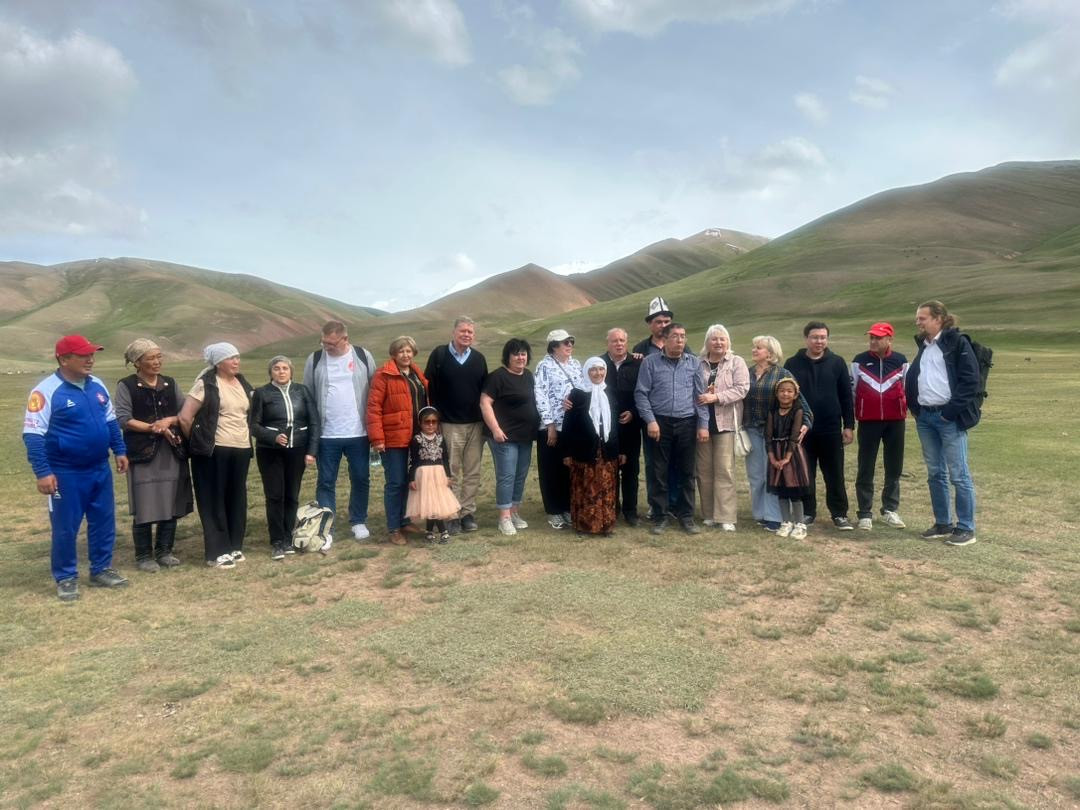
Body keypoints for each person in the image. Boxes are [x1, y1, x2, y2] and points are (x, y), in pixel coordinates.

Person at [23, 335, 130, 601]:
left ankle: (101, 569)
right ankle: (66, 577)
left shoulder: (97, 385)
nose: (90, 360)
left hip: (99, 468)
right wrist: (43, 472)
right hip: (65, 472)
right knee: (65, 527)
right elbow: (33, 435)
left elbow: (110, 420)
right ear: (63, 359)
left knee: (103, 521)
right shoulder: (45, 391)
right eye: (83, 356)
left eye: (91, 355)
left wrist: (119, 449)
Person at [905, 300, 980, 546]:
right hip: (925, 418)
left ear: (938, 319)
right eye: (917, 318)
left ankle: (966, 528)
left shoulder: (957, 343)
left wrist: (950, 413)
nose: (917, 322)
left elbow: (971, 381)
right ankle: (943, 523)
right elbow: (917, 378)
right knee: (935, 473)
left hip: (948, 418)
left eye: (922, 318)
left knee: (959, 474)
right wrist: (916, 408)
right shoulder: (925, 346)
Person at [114, 339, 193, 572]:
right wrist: (154, 428)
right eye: (151, 358)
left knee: (170, 500)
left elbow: (184, 412)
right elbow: (124, 419)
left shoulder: (170, 383)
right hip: (143, 452)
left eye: (159, 356)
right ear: (137, 362)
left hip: (171, 451)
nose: (157, 362)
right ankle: (143, 556)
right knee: (145, 502)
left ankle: (164, 551)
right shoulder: (126, 385)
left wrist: (168, 421)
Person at [178, 342, 254, 569]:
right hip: (213, 450)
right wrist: (197, 441)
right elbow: (185, 417)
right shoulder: (206, 384)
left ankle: (234, 545)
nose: (236, 362)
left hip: (241, 448)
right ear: (219, 363)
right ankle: (216, 552)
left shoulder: (242, 382)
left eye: (237, 357)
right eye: (231, 358)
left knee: (236, 497)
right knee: (213, 499)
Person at [303, 321, 377, 548]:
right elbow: (308, 395)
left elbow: (375, 389)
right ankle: (327, 528)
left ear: (345, 339)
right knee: (326, 481)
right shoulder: (315, 359)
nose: (327, 347)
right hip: (327, 434)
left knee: (361, 477)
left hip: (358, 432)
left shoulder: (363, 356)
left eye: (331, 343)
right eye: (323, 342)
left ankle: (358, 521)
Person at [634, 322, 708, 535]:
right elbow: (641, 393)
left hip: (687, 422)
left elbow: (700, 396)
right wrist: (650, 420)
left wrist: (703, 425)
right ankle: (660, 516)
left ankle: (686, 516)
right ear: (664, 339)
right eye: (675, 336)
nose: (680, 340)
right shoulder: (650, 362)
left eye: (683, 336)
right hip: (659, 423)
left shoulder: (694, 363)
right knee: (659, 471)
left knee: (687, 471)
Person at [785, 321, 855, 531]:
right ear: (806, 338)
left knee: (834, 473)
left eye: (823, 337)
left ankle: (839, 514)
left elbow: (846, 396)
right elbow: (787, 397)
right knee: (806, 472)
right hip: (802, 429)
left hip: (830, 428)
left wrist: (849, 425)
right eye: (815, 337)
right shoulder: (792, 364)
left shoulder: (837, 362)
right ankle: (808, 512)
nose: (819, 341)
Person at [251, 355, 320, 559]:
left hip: (297, 450)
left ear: (291, 371)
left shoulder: (302, 391)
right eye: (276, 368)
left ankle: (288, 537)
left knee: (292, 495)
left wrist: (311, 451)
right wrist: (272, 437)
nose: (281, 372)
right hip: (270, 451)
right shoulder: (262, 393)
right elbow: (253, 425)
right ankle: (277, 541)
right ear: (270, 372)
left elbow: (314, 422)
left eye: (285, 368)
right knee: (275, 496)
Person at [424, 317, 488, 535]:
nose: (467, 334)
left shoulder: (479, 359)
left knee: (472, 471)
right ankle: (451, 513)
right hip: (449, 423)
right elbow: (429, 389)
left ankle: (467, 513)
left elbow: (484, 392)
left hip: (475, 424)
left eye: (470, 331)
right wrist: (433, 420)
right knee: (450, 471)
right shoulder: (439, 355)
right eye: (463, 331)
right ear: (454, 332)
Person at [743, 336, 812, 532]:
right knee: (756, 476)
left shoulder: (782, 374)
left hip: (774, 434)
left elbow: (801, 402)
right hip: (751, 429)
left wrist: (806, 423)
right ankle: (760, 514)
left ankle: (774, 517)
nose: (754, 350)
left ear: (770, 353)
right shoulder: (746, 372)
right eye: (754, 347)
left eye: (759, 347)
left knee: (772, 474)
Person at [368, 336, 429, 545]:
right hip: (393, 437)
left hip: (415, 436)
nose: (405, 355)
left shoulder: (416, 373)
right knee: (395, 482)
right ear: (394, 354)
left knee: (409, 480)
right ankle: (394, 527)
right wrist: (377, 438)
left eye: (409, 351)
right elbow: (374, 408)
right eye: (401, 351)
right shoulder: (383, 375)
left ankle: (405, 520)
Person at [850, 323, 908, 531]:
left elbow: (907, 388)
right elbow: (852, 390)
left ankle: (890, 509)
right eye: (871, 338)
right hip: (868, 421)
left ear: (889, 339)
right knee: (866, 466)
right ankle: (865, 512)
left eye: (878, 338)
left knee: (894, 466)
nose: (874, 341)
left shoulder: (900, 361)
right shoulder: (859, 360)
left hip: (895, 421)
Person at [480, 339, 538, 536]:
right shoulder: (498, 377)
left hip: (525, 436)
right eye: (516, 354)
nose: (520, 357)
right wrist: (495, 429)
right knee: (507, 476)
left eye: (523, 354)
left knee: (520, 475)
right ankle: (504, 517)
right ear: (508, 356)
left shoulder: (528, 375)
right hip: (503, 436)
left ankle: (514, 512)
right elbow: (485, 403)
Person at [561, 356, 624, 535]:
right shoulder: (577, 394)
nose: (598, 373)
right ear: (586, 372)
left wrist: (621, 450)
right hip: (583, 450)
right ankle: (584, 526)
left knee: (606, 487)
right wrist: (566, 453)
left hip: (607, 450)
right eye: (593, 370)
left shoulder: (611, 392)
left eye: (601, 369)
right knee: (584, 487)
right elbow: (568, 424)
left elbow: (617, 424)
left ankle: (606, 525)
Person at [695, 324, 750, 531]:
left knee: (724, 470)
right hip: (701, 425)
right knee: (704, 471)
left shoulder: (736, 362)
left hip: (725, 423)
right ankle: (709, 514)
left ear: (728, 342)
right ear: (707, 342)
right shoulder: (697, 363)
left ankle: (725, 516)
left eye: (722, 339)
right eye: (714, 339)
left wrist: (716, 397)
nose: (718, 342)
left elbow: (742, 389)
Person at [534, 329, 582, 529]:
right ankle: (553, 510)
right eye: (565, 342)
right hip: (552, 426)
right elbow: (540, 395)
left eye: (571, 342)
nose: (569, 345)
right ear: (554, 346)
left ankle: (567, 507)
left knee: (568, 468)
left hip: (572, 425)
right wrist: (550, 425)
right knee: (551, 469)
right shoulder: (544, 366)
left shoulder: (576, 364)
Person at [632, 296, 676, 519]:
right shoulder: (640, 348)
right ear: (650, 324)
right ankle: (655, 504)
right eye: (658, 321)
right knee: (653, 462)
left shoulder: (681, 345)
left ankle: (674, 504)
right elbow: (635, 383)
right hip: (650, 416)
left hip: (676, 415)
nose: (663, 325)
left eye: (667, 321)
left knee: (675, 461)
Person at [603, 328, 643, 526]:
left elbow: (645, 392)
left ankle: (630, 511)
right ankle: (611, 508)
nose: (618, 344)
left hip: (631, 425)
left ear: (627, 342)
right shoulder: (600, 363)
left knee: (631, 470)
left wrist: (633, 412)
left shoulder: (638, 363)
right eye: (614, 341)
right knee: (609, 468)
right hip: (606, 427)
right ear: (608, 343)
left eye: (621, 340)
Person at [405, 406, 461, 544]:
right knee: (429, 503)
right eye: (427, 422)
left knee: (435, 503)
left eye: (434, 422)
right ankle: (443, 532)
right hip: (423, 475)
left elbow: (445, 459)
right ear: (420, 423)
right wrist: (411, 479)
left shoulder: (440, 439)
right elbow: (412, 460)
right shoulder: (416, 440)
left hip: (438, 475)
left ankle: (430, 532)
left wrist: (448, 476)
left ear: (437, 423)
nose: (430, 425)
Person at [767, 378, 811, 540]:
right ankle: (786, 522)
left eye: (789, 391)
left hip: (792, 454)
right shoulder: (772, 412)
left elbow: (794, 436)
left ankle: (800, 524)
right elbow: (768, 437)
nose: (785, 394)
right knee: (782, 490)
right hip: (776, 452)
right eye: (782, 391)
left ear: (795, 394)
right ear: (777, 393)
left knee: (794, 490)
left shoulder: (797, 411)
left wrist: (786, 458)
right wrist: (772, 458)